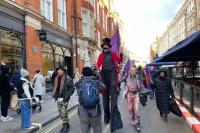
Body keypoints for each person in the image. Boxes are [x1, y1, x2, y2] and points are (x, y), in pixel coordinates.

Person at [96, 37, 123, 132]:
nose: (105, 49)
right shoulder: (100, 55)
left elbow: (119, 60)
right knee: (105, 100)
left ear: (109, 48)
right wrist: (97, 71)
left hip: (112, 74)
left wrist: (121, 53)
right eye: (104, 48)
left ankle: (114, 119)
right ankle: (106, 117)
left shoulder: (113, 54)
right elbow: (98, 65)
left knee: (114, 99)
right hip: (104, 76)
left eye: (107, 48)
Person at [75, 67, 105, 133]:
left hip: (83, 112)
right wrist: (98, 77)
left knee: (84, 130)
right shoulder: (96, 82)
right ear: (92, 73)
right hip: (95, 112)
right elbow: (104, 87)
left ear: (82, 73)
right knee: (97, 130)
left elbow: (76, 86)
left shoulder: (78, 83)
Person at [52, 66, 75, 133]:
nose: (59, 71)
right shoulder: (56, 78)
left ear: (64, 71)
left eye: (61, 70)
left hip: (64, 98)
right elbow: (54, 86)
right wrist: (54, 93)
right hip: (58, 98)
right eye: (58, 70)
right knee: (60, 112)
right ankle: (65, 124)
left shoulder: (68, 79)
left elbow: (72, 89)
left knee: (64, 112)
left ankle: (66, 125)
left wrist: (67, 95)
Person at [124, 65, 142, 132]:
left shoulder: (138, 77)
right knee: (130, 109)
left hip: (136, 94)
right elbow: (125, 87)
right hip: (129, 95)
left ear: (136, 71)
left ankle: (137, 124)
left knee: (136, 109)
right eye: (132, 70)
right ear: (129, 71)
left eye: (134, 70)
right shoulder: (126, 78)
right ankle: (133, 119)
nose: (133, 71)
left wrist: (143, 93)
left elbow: (141, 86)